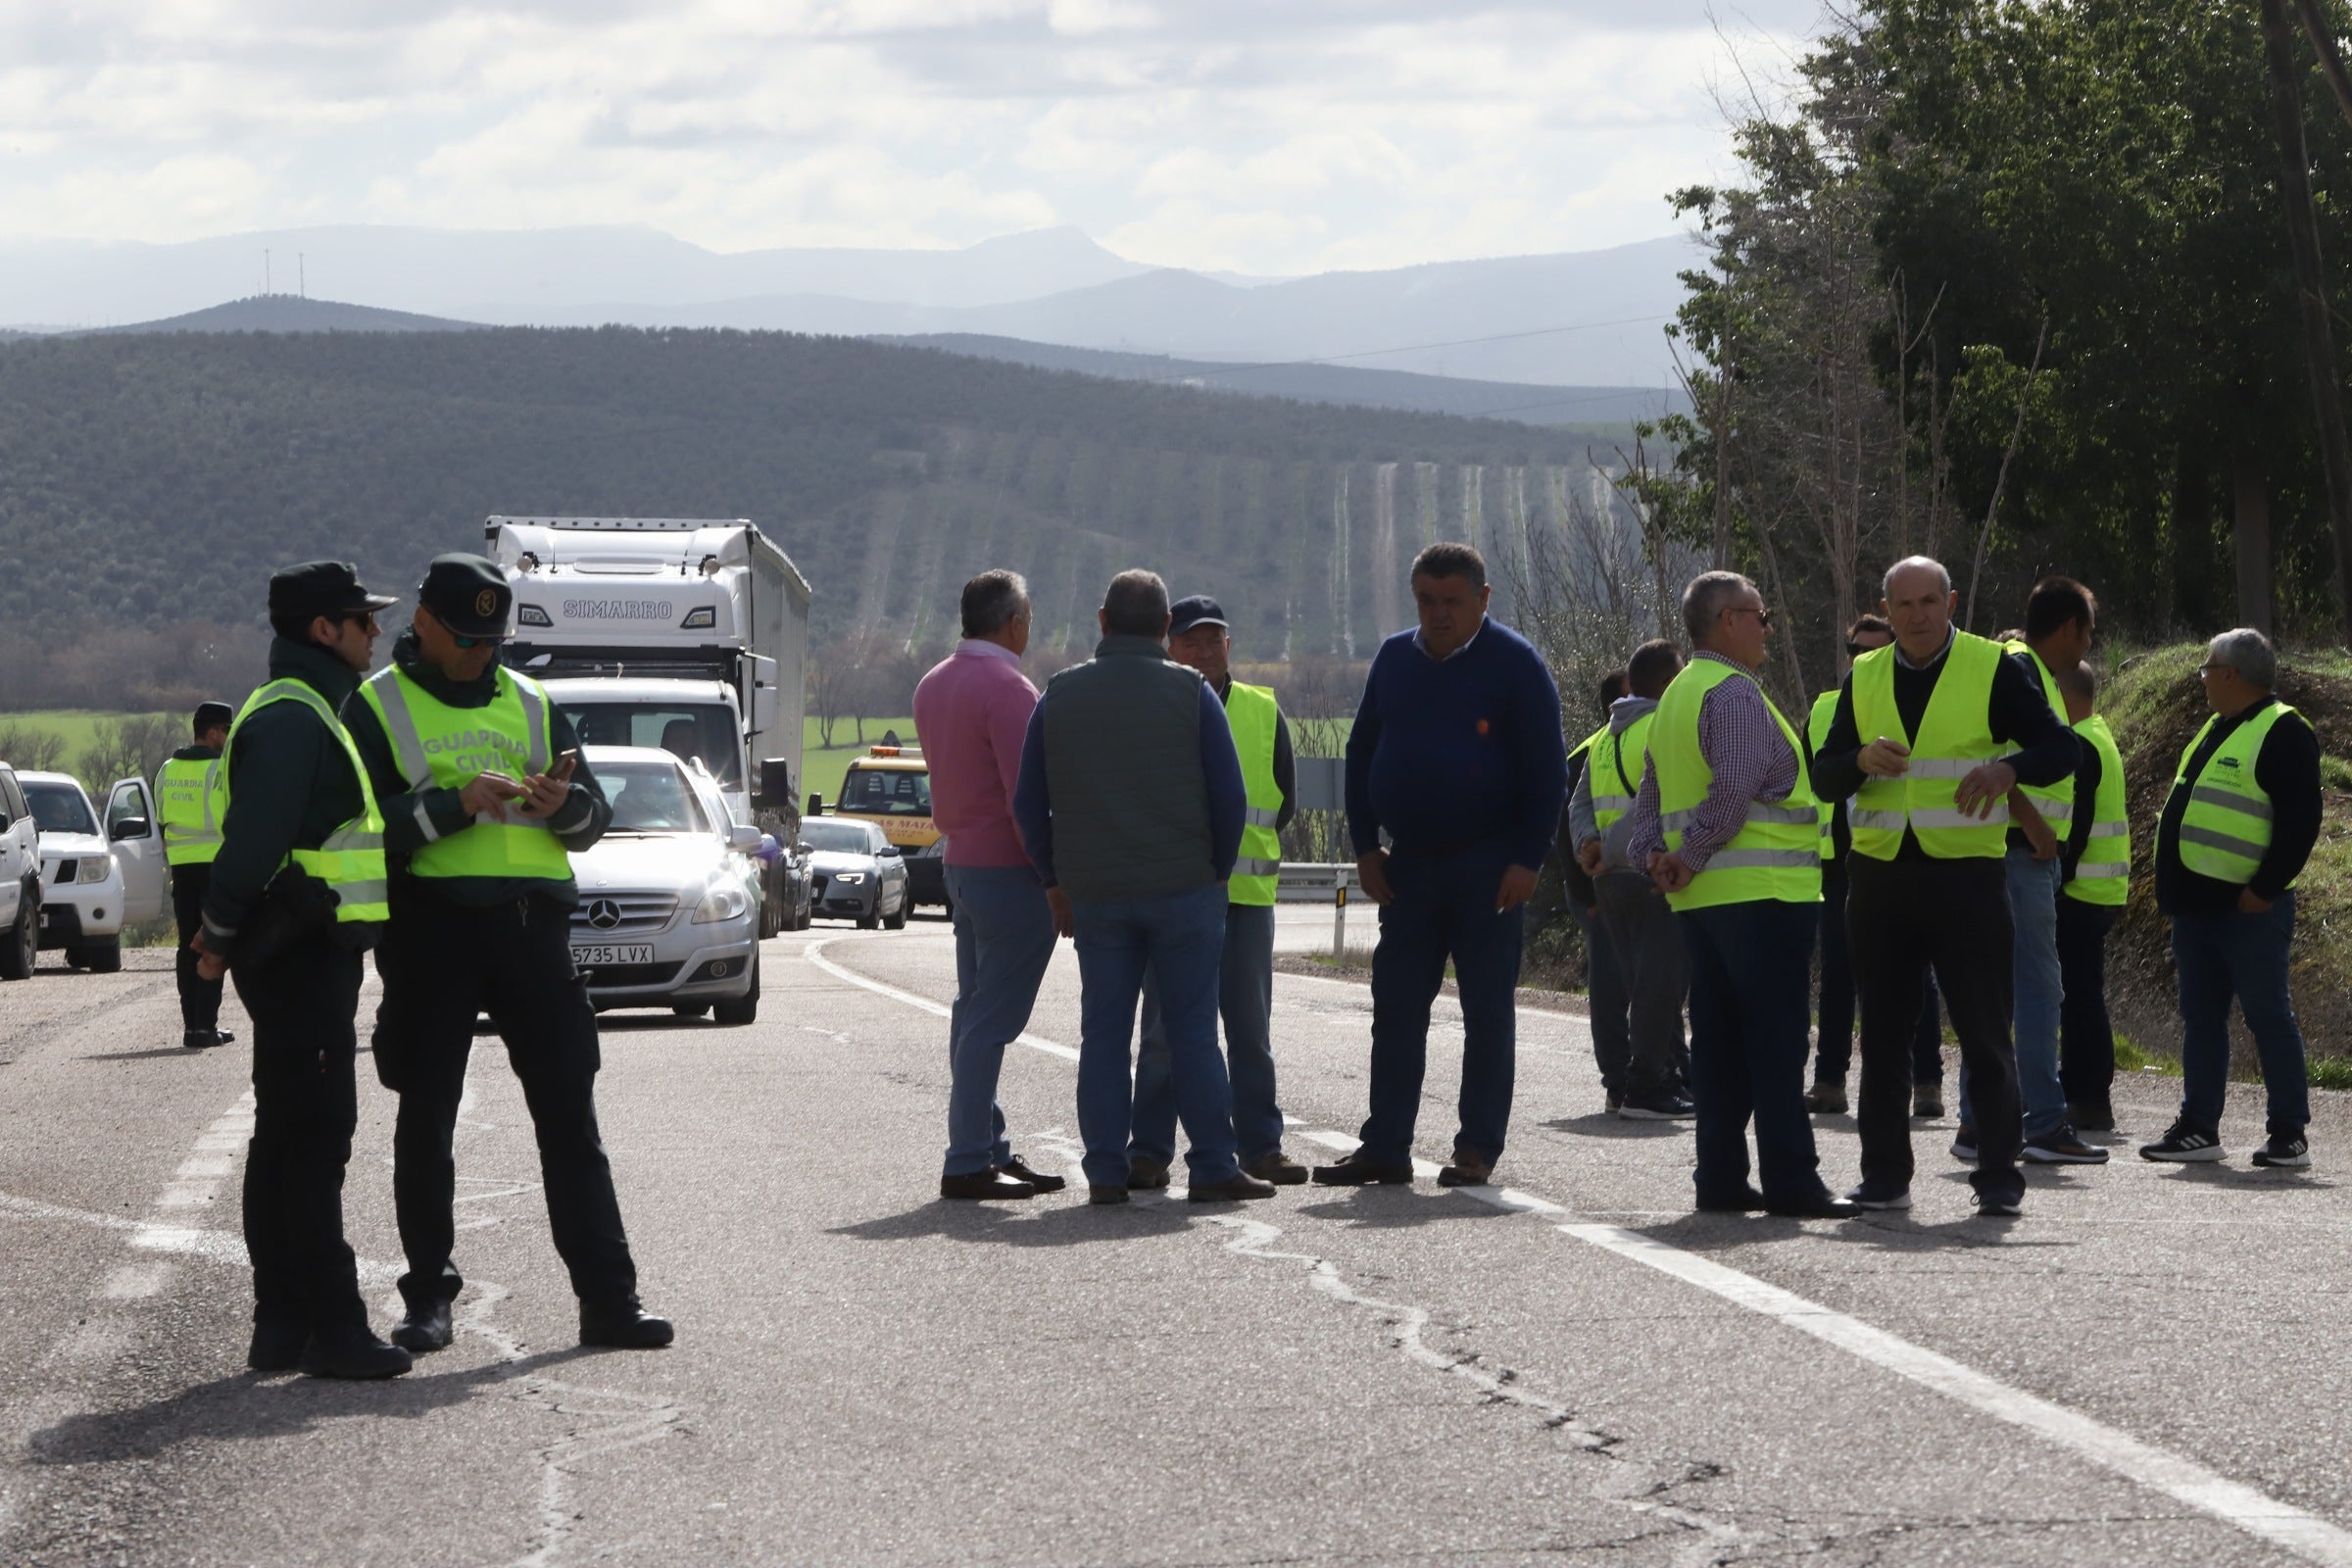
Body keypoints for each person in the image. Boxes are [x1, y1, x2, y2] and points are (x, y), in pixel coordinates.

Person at [346, 555, 671, 1354]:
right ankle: (429, 1298)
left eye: (493, 640)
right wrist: (453, 806)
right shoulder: (376, 706)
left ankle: (610, 1301)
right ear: (424, 622)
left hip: (532, 934)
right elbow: (358, 828)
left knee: (570, 1120)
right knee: (427, 1120)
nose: (481, 653)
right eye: (466, 638)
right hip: (431, 932)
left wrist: (565, 806)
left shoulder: (531, 700)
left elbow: (592, 822)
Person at [1810, 556, 2078, 1217]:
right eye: (1903, 605)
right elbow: (1824, 776)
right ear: (1887, 609)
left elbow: (2063, 749)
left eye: (1929, 602)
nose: (1917, 616)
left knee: (1985, 1035)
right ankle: (1884, 1177)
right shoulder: (1865, 674)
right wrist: (1859, 759)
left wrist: (2008, 772)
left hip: (1966, 880)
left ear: (1952, 603)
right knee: (1883, 1037)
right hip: (1879, 879)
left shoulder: (1993, 667)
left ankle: (1998, 1177)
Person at [195, 562, 410, 1379]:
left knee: (285, 1138)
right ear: (325, 630)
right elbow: (253, 843)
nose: (376, 632)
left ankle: (281, 1326)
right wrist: (216, 934)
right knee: (315, 1143)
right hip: (301, 955)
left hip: (305, 954)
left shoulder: (308, 706)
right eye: (363, 619)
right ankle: (333, 1330)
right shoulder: (294, 716)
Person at [1011, 569, 1271, 1204]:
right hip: (1185, 890)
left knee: (1103, 1035)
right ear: (1165, 627)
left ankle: (1106, 1171)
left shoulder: (1060, 694)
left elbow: (1027, 803)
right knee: (1191, 1032)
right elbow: (1230, 797)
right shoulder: (1193, 693)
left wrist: (1054, 879)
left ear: (1103, 621)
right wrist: (1215, 873)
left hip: (1097, 895)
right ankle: (1212, 1164)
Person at [1314, 542, 1568, 1190]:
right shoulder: (1395, 659)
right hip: (1410, 869)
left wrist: (1527, 858)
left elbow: (1548, 773)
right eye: (1426, 600)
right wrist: (1365, 847)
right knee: (1397, 1007)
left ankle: (1476, 1149)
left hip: (1490, 869)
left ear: (1482, 598)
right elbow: (1361, 752)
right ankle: (1385, 1146)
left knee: (1486, 1011)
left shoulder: (1517, 665)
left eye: (1452, 601)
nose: (1438, 613)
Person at [1627, 572, 1855, 1217]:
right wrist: (1689, 855)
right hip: (1763, 896)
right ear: (1729, 621)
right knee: (1777, 1043)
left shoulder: (1675, 697)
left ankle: (1721, 1178)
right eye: (1761, 615)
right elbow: (1732, 791)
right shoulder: (1732, 693)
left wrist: (1657, 860)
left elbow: (1649, 805)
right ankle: (1792, 1180)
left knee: (1720, 1044)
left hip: (1701, 902)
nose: (1768, 628)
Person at [1128, 594, 1305, 1187]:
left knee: (1249, 1032)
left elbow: (1283, 801)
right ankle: (1148, 1152)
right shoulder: (1155, 708)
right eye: (1191, 641)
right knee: (1161, 1033)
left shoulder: (1263, 710)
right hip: (1174, 898)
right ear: (1169, 646)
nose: (1204, 651)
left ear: (1229, 645)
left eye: (1213, 640)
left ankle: (1261, 1148)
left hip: (1245, 900)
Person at [911, 569, 1067, 1200]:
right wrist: (1053, 877)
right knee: (991, 1020)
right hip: (1010, 870)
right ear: (1014, 623)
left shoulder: (933, 683)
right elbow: (1025, 799)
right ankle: (969, 1157)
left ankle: (987, 1144)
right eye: (1028, 618)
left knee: (973, 1009)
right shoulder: (1009, 690)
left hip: (961, 864)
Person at [2141, 628, 2321, 1167]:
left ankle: (2289, 1132)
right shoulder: (2218, 725)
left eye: (2207, 669)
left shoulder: (2285, 730)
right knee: (2201, 1018)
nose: (2202, 678)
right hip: (2198, 906)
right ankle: (2199, 1127)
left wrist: (2264, 889)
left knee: (2268, 1015)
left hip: (2250, 909)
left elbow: (2302, 821)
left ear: (2229, 674)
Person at [1962, 577, 2104, 1163]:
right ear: (2069, 628)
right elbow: (1989, 756)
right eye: (2088, 633)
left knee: (1998, 994)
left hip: (2017, 853)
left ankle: (1979, 1124)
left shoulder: (2026, 668)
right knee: (2038, 992)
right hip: (2019, 853)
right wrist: (2033, 822)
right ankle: (2043, 1123)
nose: (2088, 645)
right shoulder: (2020, 667)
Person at [1806, 615, 1947, 1117]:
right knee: (1838, 974)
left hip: (1905, 857)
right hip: (1839, 863)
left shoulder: (1915, 700)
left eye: (1874, 650)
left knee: (1917, 975)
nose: (1862, 659)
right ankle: (1830, 1081)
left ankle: (1927, 1082)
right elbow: (1816, 781)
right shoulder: (1825, 708)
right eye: (1855, 650)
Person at [1570, 638, 1694, 1120]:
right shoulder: (1664, 727)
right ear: (1667, 682)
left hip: (1609, 880)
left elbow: (1579, 802)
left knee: (1643, 984)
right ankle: (1647, 1086)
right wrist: (1608, 850)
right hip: (1651, 872)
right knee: (1658, 988)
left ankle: (1665, 1078)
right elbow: (1651, 803)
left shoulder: (1606, 735)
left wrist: (1589, 847)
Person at [2055, 660, 2129, 1131]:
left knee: (2078, 999)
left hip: (2080, 889)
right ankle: (2084, 1093)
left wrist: (2054, 878)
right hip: (2099, 887)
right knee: (2081, 996)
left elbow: (2075, 828)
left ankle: (2088, 1096)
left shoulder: (2080, 744)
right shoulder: (2098, 733)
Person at [1561, 670, 1634, 1113]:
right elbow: (1565, 831)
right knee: (1610, 985)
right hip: (1597, 887)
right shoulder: (1590, 750)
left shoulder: (1636, 737)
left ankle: (1653, 1073)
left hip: (1631, 880)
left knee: (1647, 982)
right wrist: (1587, 898)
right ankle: (1618, 1080)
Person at [156, 700, 237, 1051]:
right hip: (216, 869)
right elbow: (237, 818)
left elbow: (162, 820)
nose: (229, 738)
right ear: (215, 732)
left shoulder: (167, 770)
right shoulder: (223, 770)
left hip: (182, 869)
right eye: (228, 731)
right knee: (213, 944)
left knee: (186, 946)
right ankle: (206, 1026)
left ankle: (191, 1026)